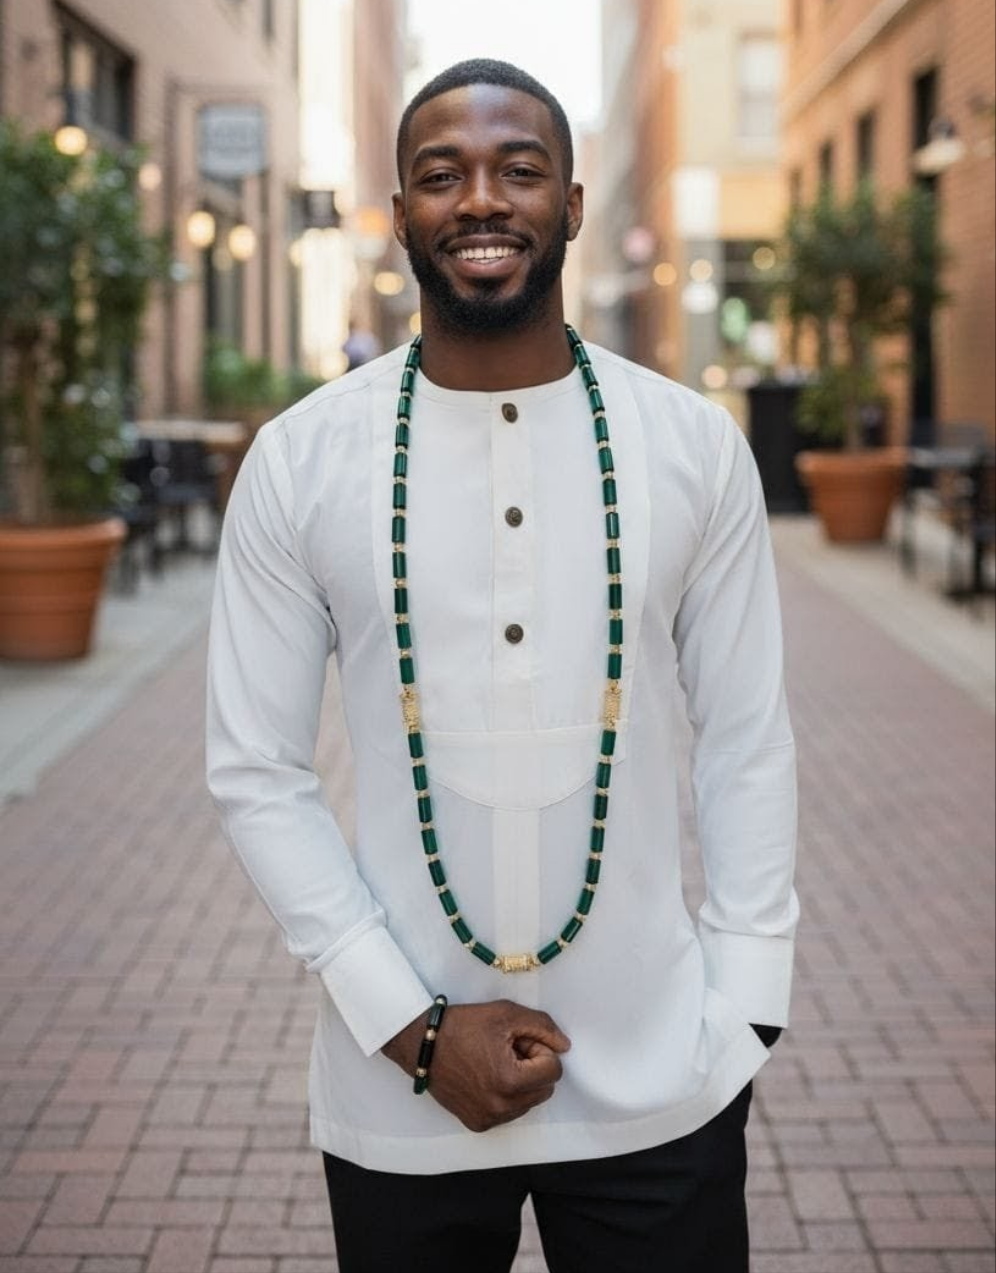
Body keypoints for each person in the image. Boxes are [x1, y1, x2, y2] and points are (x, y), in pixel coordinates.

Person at [206, 58, 798, 1273]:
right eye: (443, 174)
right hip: (395, 1094)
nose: (482, 199)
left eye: (520, 170)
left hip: (662, 1077)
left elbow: (748, 734)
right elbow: (255, 769)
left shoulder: (691, 448)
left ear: (572, 204)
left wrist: (746, 1005)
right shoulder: (302, 461)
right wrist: (410, 1028)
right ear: (400, 215)